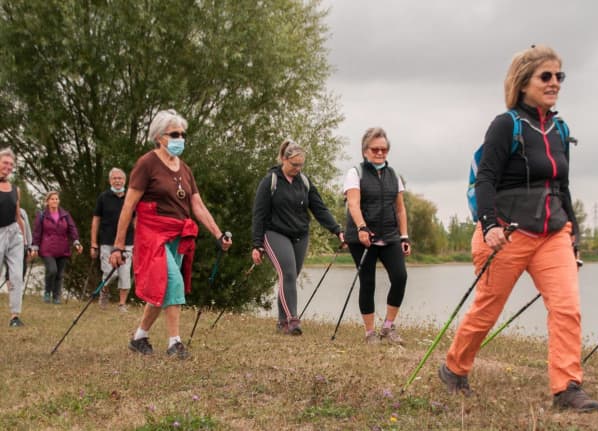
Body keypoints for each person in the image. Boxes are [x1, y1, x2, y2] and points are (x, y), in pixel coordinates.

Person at [437, 45, 598, 413]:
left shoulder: (560, 129)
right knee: (487, 309)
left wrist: (573, 232)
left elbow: (562, 186)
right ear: (523, 81)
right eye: (546, 76)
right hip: (507, 232)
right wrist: (490, 224)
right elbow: (486, 180)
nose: (555, 82)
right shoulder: (505, 124)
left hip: (553, 233)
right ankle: (453, 368)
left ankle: (567, 388)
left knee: (566, 308)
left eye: (560, 76)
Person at [109, 109, 231, 360]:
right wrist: (118, 246)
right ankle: (175, 343)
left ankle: (139, 337)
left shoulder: (184, 169)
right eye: (174, 134)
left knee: (162, 287)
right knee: (173, 282)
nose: (180, 139)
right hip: (152, 234)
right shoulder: (147, 164)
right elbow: (129, 206)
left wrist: (218, 234)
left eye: (183, 134)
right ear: (159, 137)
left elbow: (197, 205)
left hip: (177, 235)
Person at [251, 139, 344, 335]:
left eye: (301, 165)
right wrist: (256, 244)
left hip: (300, 235)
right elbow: (259, 214)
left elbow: (319, 209)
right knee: (288, 274)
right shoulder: (271, 181)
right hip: (274, 233)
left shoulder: (304, 182)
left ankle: (281, 322)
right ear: (284, 160)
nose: (297, 168)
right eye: (294, 165)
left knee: (290, 278)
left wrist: (337, 230)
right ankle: (293, 320)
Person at [343, 127, 411, 345]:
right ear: (365, 151)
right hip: (363, 237)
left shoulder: (393, 175)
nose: (380, 153)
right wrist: (362, 228)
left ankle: (388, 327)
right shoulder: (356, 173)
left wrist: (404, 237)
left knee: (400, 277)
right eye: (375, 149)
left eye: (384, 149)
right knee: (368, 282)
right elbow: (353, 204)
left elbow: (400, 209)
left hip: (390, 235)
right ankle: (370, 333)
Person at [91, 167, 134, 312]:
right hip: (107, 242)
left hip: (127, 242)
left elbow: (136, 220)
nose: (117, 181)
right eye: (114, 178)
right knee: (110, 273)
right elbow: (96, 220)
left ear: (125, 180)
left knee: (125, 273)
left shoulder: (130, 197)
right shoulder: (103, 197)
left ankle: (122, 304)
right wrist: (93, 243)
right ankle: (104, 292)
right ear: (110, 180)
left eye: (120, 178)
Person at [30, 191, 83, 304]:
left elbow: (72, 229)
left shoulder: (65, 215)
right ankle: (47, 293)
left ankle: (56, 296)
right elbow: (37, 232)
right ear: (47, 201)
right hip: (47, 249)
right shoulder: (42, 215)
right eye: (52, 199)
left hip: (62, 248)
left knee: (59, 273)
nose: (55, 201)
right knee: (52, 270)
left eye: (56, 199)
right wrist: (34, 247)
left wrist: (76, 242)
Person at [0, 149, 28, 326]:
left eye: (11, 164)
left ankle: (15, 316)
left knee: (17, 275)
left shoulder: (15, 189)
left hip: (13, 233)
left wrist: (25, 241)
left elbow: (18, 215)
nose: (8, 167)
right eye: (5, 163)